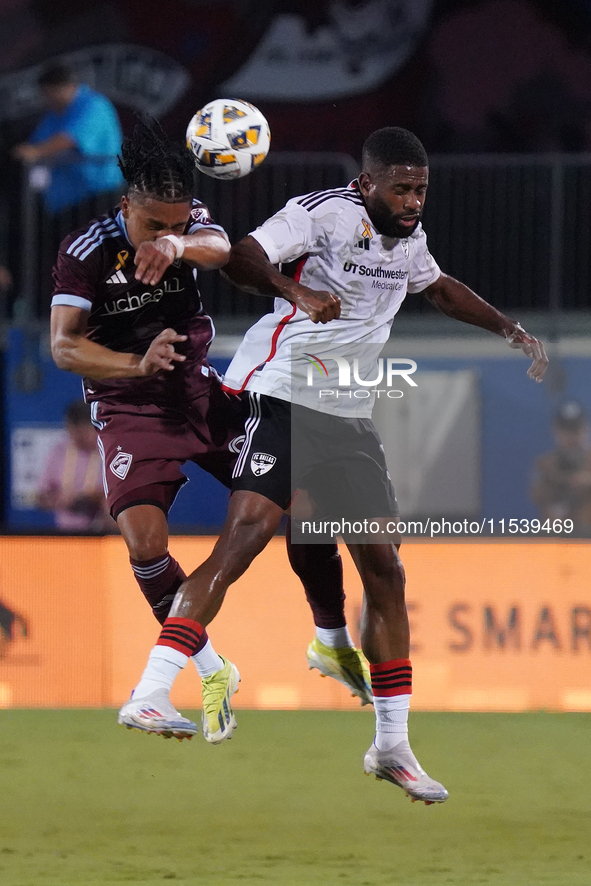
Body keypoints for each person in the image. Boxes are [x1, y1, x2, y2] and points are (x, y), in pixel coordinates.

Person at [122, 126, 549, 804]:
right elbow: (240, 255)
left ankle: (391, 745)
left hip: (348, 418)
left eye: (421, 189)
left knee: (385, 567)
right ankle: (150, 690)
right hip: (283, 395)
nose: (414, 201)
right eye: (402, 189)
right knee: (243, 539)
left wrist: (511, 331)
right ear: (368, 183)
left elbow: (439, 289)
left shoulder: (408, 242)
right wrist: (296, 295)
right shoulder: (321, 212)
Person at [50, 117, 368, 743]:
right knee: (145, 544)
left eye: (175, 223)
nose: (165, 234)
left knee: (307, 502)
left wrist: (176, 244)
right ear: (125, 208)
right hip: (128, 407)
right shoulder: (84, 252)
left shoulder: (187, 222)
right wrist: (136, 364)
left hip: (199, 393)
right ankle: (210, 667)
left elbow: (222, 249)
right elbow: (63, 347)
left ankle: (330, 636)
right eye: (152, 226)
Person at [13, 63, 123, 214]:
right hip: (66, 202)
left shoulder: (94, 105)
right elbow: (35, 143)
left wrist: (36, 152)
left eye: (50, 93)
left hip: (100, 194)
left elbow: (69, 139)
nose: (47, 99)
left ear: (66, 87)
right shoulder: (54, 114)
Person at [36, 400, 113, 532]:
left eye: (84, 433)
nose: (78, 438)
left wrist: (87, 497)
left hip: (102, 533)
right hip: (65, 533)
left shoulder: (110, 452)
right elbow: (41, 496)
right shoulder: (59, 451)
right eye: (73, 432)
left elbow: (115, 494)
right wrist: (58, 500)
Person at [531, 401, 591, 535]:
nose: (571, 437)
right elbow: (536, 496)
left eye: (576, 430)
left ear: (586, 429)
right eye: (566, 431)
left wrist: (586, 482)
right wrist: (560, 481)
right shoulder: (546, 464)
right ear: (556, 431)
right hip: (556, 539)